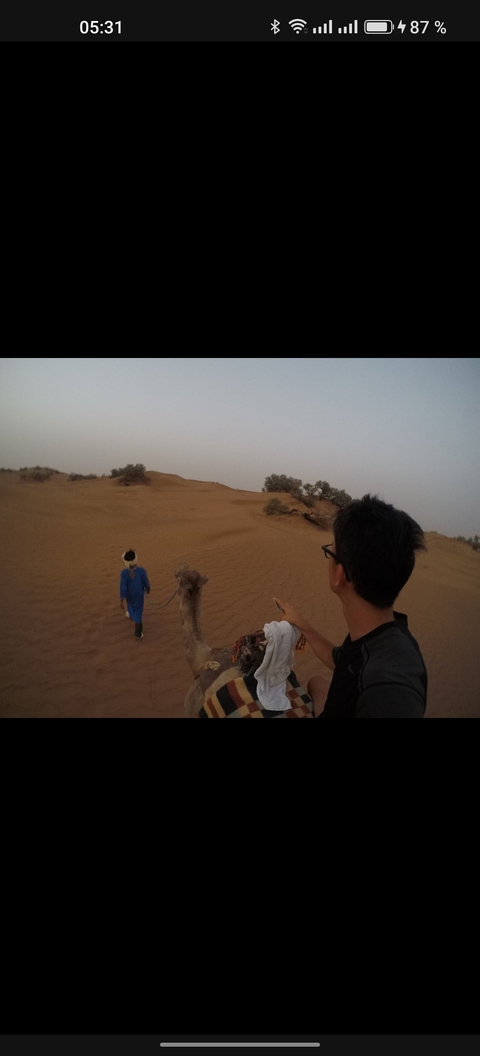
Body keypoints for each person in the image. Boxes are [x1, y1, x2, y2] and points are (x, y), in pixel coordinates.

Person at [274, 494, 428, 718]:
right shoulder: (381, 635)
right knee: (317, 683)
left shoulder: (388, 691)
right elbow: (343, 662)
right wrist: (300, 623)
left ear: (340, 574)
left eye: (330, 552)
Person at [120, 550, 151, 640]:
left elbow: (123, 586)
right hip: (139, 595)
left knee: (131, 605)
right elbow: (146, 581)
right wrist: (148, 588)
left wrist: (122, 599)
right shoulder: (141, 571)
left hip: (129, 595)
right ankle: (138, 633)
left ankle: (130, 614)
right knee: (138, 611)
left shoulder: (124, 573)